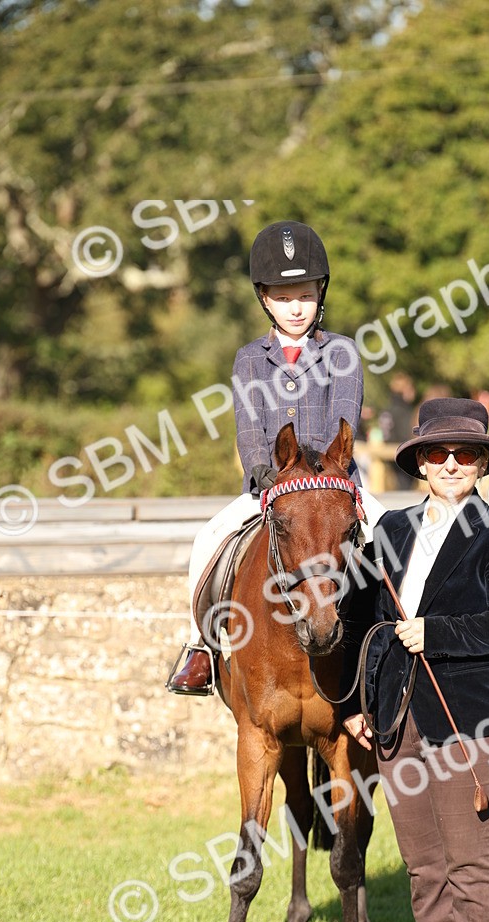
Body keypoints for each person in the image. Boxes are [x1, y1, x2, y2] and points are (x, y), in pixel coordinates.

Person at [341, 397, 489, 922]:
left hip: (471, 722)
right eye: (437, 452)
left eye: (464, 453)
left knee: (472, 864)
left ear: (481, 461)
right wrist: (359, 704)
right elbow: (364, 624)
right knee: (425, 868)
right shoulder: (391, 532)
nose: (450, 463)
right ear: (420, 461)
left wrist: (439, 633)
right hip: (398, 722)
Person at [168, 220, 384, 695]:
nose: (296, 308)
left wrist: (325, 475)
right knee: (208, 538)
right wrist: (260, 469)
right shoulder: (249, 359)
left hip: (333, 485)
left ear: (320, 293)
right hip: (272, 486)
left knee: (392, 536)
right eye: (284, 298)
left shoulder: (342, 352)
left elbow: (343, 425)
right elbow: (248, 427)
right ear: (264, 298)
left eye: (305, 296)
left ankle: (401, 637)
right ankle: (200, 649)